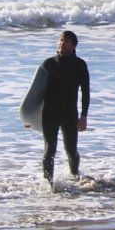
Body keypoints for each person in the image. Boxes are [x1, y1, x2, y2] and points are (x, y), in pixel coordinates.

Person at [38, 30, 91, 181]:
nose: (62, 43)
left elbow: (86, 92)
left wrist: (84, 116)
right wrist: (28, 115)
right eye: (61, 40)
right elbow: (36, 92)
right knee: (49, 150)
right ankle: (48, 185)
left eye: (66, 41)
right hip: (49, 114)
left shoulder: (79, 65)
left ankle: (74, 176)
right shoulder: (48, 64)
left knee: (71, 150)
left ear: (73, 46)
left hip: (69, 114)